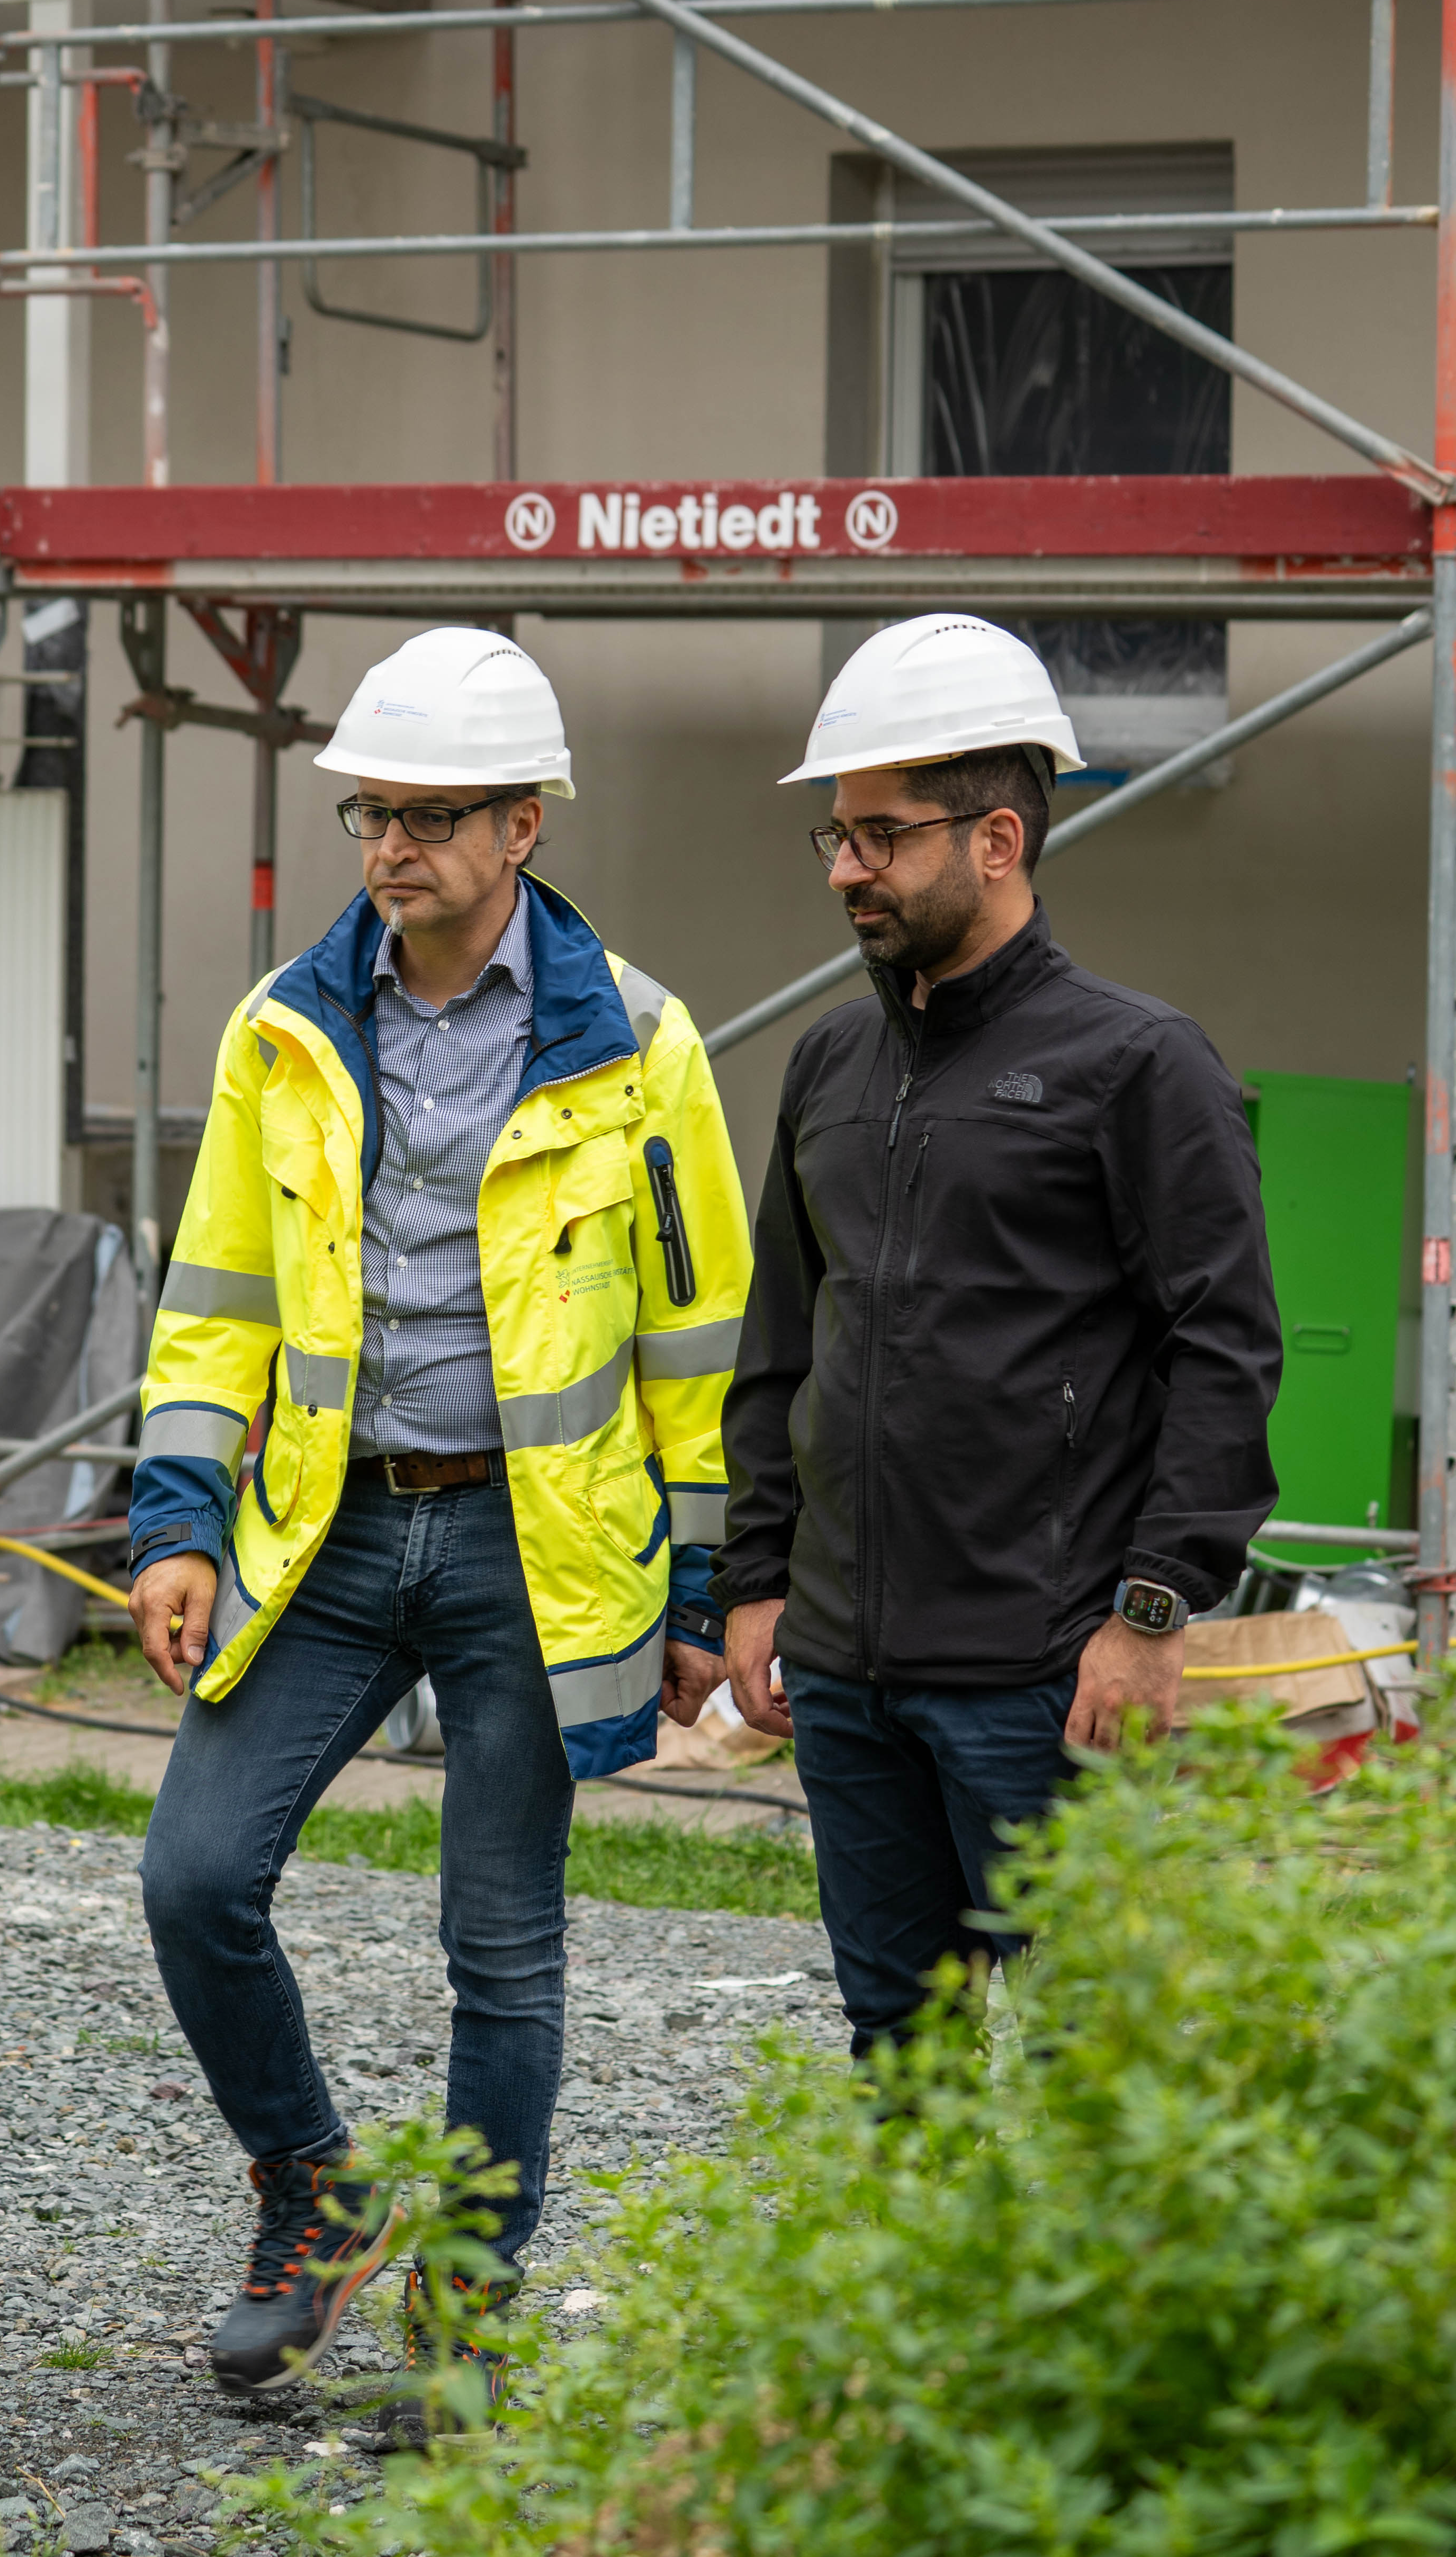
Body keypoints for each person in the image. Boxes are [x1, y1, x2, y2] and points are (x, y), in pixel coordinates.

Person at [126, 626, 752, 2427]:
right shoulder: (287, 1030)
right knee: (194, 1877)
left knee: (503, 1947)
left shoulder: (639, 1045)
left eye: (429, 816)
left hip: (524, 1549)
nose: (392, 847)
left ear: (525, 826)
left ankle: (466, 2324)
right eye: (370, 815)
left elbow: (695, 1338)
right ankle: (316, 2189)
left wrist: (702, 1577)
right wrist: (180, 1520)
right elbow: (217, 1297)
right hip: (321, 1533)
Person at [714, 611, 1282, 2057]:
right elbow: (786, 1338)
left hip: (1045, 1680)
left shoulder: (1140, 1066)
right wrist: (760, 1579)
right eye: (837, 837)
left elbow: (1226, 1351)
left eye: (881, 836)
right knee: (901, 2054)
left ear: (998, 839)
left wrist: (1151, 1618)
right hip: (846, 1674)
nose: (848, 869)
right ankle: (930, 2293)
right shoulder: (830, 1061)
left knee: (1100, 2057)